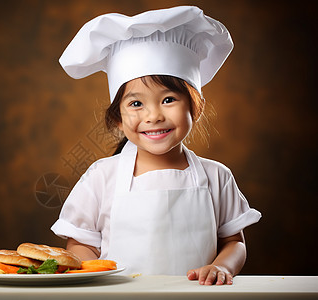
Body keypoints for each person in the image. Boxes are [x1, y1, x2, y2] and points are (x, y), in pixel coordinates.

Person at [51, 6, 261, 285]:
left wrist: (222, 267)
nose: (154, 116)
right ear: (118, 117)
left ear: (195, 108)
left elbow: (235, 243)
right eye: (136, 103)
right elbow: (80, 245)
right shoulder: (101, 176)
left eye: (168, 99)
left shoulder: (217, 176)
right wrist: (90, 268)